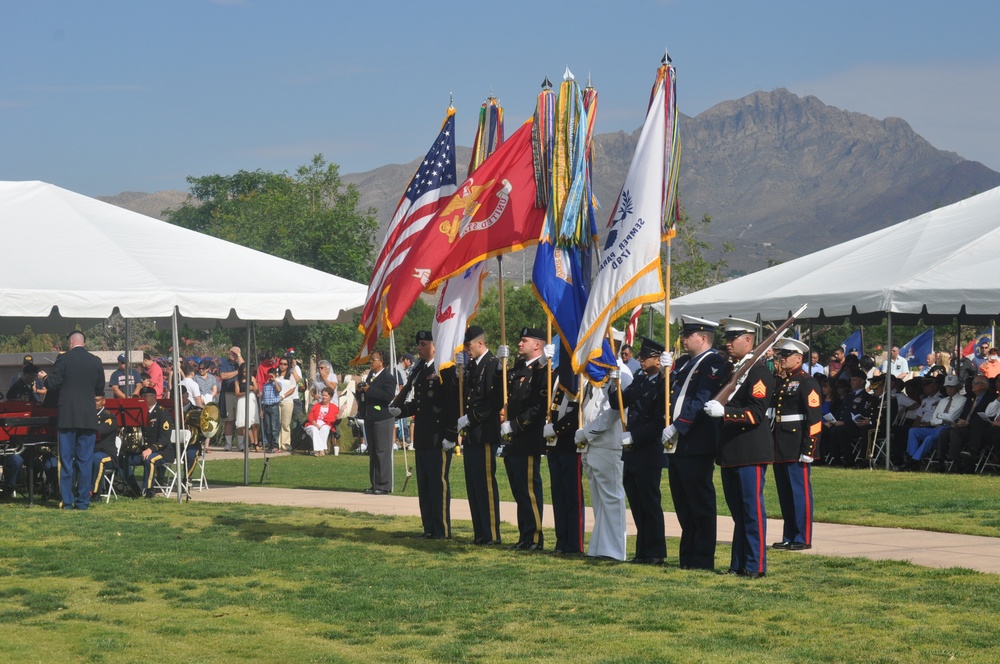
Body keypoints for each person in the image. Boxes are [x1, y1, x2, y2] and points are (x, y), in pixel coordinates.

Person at [703, 318, 774, 578]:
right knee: (738, 514)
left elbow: (756, 412)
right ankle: (738, 564)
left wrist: (726, 413)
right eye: (727, 338)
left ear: (748, 341)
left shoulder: (758, 372)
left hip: (750, 450)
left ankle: (755, 565)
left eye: (733, 338)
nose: (728, 343)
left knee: (752, 512)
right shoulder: (732, 371)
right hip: (731, 451)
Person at [662, 316, 728, 571]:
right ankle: (687, 556)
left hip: (696, 443)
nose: (683, 339)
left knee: (699, 504)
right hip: (679, 445)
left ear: (703, 338)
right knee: (683, 504)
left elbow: (701, 399)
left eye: (687, 336)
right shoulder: (686, 362)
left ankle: (702, 559)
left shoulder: (712, 362)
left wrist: (678, 426)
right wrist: (667, 369)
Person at [391, 331, 459, 539]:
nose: (418, 348)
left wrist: (451, 434)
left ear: (435, 346)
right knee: (425, 485)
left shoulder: (444, 369)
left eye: (423, 344)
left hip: (439, 437)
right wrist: (401, 410)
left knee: (438, 485)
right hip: (422, 436)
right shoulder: (420, 369)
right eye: (418, 344)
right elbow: (421, 404)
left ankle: (442, 530)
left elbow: (452, 403)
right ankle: (429, 527)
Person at [612, 336, 667, 566]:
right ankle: (642, 550)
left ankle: (655, 552)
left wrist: (635, 435)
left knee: (650, 504)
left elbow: (659, 421)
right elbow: (619, 403)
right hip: (632, 451)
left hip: (649, 450)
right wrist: (612, 383)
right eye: (641, 357)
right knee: (636, 502)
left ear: (658, 359)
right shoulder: (640, 380)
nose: (641, 360)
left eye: (646, 357)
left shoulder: (663, 383)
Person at [499, 327, 551, 551]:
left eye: (524, 341)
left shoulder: (543, 369)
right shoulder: (519, 368)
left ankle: (535, 538)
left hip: (528, 437)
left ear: (537, 345)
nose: (520, 344)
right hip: (513, 439)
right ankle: (524, 535)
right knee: (519, 490)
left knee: (529, 490)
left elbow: (539, 405)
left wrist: (517, 425)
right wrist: (500, 365)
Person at [43, 331, 106, 510]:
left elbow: (52, 383)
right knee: (85, 461)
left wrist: (44, 378)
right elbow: (99, 389)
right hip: (87, 417)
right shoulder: (95, 361)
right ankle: (83, 501)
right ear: (83, 342)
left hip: (68, 417)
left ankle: (68, 501)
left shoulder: (64, 359)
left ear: (71, 342)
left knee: (66, 461)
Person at [770, 338, 822, 551]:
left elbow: (815, 419)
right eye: (780, 355)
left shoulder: (806, 382)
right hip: (780, 444)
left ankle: (802, 537)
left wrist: (809, 449)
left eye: (786, 355)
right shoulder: (782, 381)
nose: (782, 359)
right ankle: (788, 535)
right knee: (785, 494)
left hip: (798, 445)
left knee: (799, 493)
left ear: (799, 358)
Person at [578, 360, 633, 561]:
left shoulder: (621, 372)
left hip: (608, 442)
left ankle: (614, 549)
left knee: (612, 498)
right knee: (599, 500)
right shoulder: (595, 369)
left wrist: (587, 432)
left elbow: (615, 411)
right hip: (591, 444)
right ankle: (599, 546)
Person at [457, 326, 504, 545]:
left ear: (480, 343)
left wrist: (471, 418)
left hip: (484, 433)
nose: (467, 350)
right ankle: (480, 532)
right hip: (471, 435)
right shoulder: (473, 366)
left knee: (485, 485)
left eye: (468, 346)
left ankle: (492, 533)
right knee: (473, 486)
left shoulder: (493, 364)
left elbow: (494, 402)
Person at [545, 368, 584, 556]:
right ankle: (561, 542)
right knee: (558, 496)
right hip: (554, 445)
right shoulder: (560, 371)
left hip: (570, 444)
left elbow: (578, 411)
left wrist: (557, 429)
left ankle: (574, 544)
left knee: (572, 497)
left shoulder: (579, 372)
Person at [900, 375, 966, 469]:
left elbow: (951, 417)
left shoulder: (962, 400)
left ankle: (913, 461)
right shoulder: (943, 401)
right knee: (913, 431)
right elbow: (933, 419)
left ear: (957, 387)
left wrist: (940, 416)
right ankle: (911, 458)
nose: (949, 389)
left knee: (929, 438)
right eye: (947, 386)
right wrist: (941, 418)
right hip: (937, 427)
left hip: (947, 429)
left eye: (951, 386)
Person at [358, 349, 396, 494]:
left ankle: (384, 485)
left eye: (373, 359)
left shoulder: (388, 377)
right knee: (373, 452)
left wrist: (369, 390)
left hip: (383, 418)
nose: (371, 362)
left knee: (382, 451)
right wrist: (361, 391)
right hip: (370, 417)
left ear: (381, 361)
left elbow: (388, 396)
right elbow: (367, 394)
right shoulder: (371, 376)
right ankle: (375, 484)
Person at [937, 375, 992, 472]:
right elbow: (964, 414)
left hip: (980, 431)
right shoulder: (971, 398)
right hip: (966, 427)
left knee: (955, 433)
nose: (972, 385)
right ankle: (940, 462)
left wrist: (968, 423)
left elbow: (986, 417)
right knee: (945, 432)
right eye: (972, 383)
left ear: (983, 386)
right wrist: (958, 422)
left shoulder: (991, 398)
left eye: (975, 383)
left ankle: (957, 462)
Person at [90, 394, 121, 498]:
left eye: (96, 400)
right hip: (90, 451)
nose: (94, 403)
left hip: (107, 454)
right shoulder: (87, 414)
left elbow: (99, 431)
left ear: (104, 401)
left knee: (97, 459)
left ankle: (94, 493)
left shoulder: (109, 416)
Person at [218, 346, 242, 451]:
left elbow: (245, 368)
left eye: (234, 353)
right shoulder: (224, 363)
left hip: (240, 394)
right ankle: (228, 443)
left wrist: (239, 356)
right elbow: (223, 376)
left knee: (241, 420)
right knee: (229, 420)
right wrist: (237, 372)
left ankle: (241, 444)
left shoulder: (240, 362)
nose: (232, 355)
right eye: (231, 353)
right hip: (228, 393)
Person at [304, 387, 339, 456]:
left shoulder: (334, 407)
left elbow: (336, 417)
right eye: (323, 395)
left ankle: (318, 451)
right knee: (314, 430)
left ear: (330, 397)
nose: (324, 397)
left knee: (325, 428)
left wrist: (338, 416)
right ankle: (321, 450)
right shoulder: (316, 406)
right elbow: (310, 417)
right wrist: (315, 424)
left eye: (326, 395)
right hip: (313, 424)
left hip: (326, 424)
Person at [235, 361, 260, 452]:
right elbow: (237, 393)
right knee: (245, 424)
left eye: (247, 371)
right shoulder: (237, 381)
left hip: (252, 400)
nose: (245, 373)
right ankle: (248, 443)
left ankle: (256, 443)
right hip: (242, 400)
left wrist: (253, 388)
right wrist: (246, 392)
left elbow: (257, 391)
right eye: (244, 371)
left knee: (254, 423)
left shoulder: (252, 379)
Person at [276, 355, 300, 451]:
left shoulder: (290, 376)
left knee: (285, 424)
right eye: (281, 364)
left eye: (285, 364)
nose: (282, 366)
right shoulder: (276, 374)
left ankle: (285, 444)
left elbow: (292, 388)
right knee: (277, 423)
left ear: (288, 365)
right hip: (276, 401)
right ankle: (277, 444)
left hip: (287, 401)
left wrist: (283, 396)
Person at [260, 367, 282, 453]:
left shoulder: (277, 383)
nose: (270, 378)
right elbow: (263, 398)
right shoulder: (265, 385)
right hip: (266, 407)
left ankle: (275, 445)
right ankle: (269, 445)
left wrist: (274, 380)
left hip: (274, 406)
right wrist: (262, 409)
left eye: (271, 376)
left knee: (274, 427)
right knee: (268, 427)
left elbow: (278, 390)